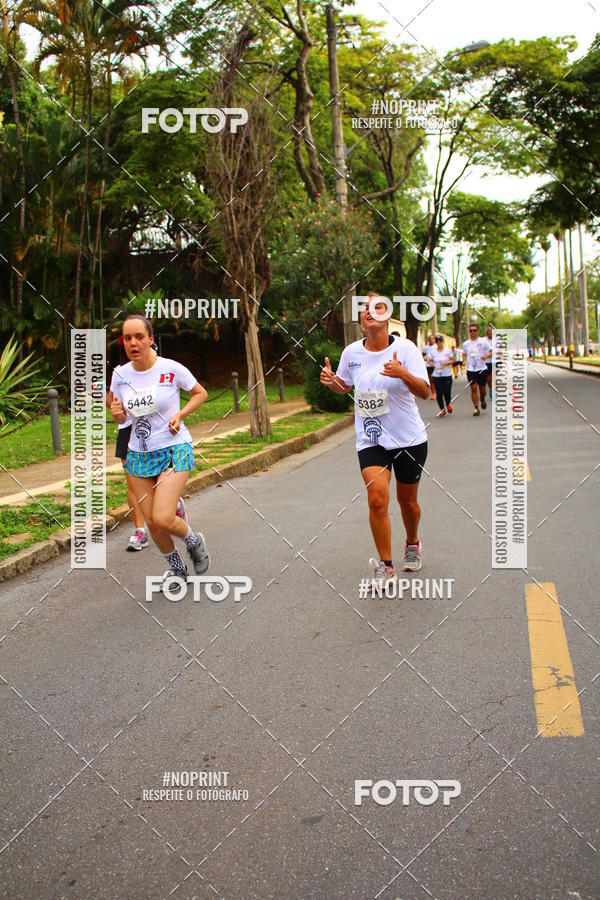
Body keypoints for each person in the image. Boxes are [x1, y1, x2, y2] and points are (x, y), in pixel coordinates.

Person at [320, 292, 430, 582]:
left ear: (387, 316)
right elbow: (344, 387)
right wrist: (333, 382)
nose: (369, 311)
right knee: (377, 498)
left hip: (408, 439)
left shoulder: (405, 349)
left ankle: (413, 542)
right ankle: (386, 566)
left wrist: (402, 374)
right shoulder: (351, 353)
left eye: (377, 307)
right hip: (371, 439)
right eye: (364, 309)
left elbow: (425, 391)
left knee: (407, 502)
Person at [109, 314, 209, 582]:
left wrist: (181, 414)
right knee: (151, 522)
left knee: (163, 517)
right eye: (127, 338)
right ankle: (177, 569)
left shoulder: (171, 369)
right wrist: (116, 412)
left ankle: (192, 540)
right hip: (138, 454)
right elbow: (122, 419)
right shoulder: (120, 375)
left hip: (174, 448)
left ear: (151, 340)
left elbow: (201, 393)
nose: (133, 343)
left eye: (139, 337)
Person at [463, 323, 490, 416]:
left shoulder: (483, 342)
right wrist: (464, 362)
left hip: (482, 368)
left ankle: (482, 399)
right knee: (473, 388)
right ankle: (476, 408)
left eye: (475, 330)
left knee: (482, 389)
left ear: (478, 331)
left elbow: (492, 351)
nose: (473, 332)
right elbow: (464, 354)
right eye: (471, 330)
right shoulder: (466, 344)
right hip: (471, 369)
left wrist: (486, 356)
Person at [431, 335, 454, 415]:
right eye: (437, 341)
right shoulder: (433, 352)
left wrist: (446, 362)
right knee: (439, 393)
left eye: (440, 340)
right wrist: (432, 364)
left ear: (442, 341)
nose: (438, 342)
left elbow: (452, 360)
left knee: (447, 392)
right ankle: (442, 409)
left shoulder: (447, 351)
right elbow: (430, 361)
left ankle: (448, 404)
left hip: (446, 374)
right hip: (437, 375)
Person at [422, 334, 436, 400]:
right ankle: (433, 393)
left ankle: (439, 392)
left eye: (432, 338)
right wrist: (423, 359)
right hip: (428, 365)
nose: (431, 340)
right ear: (428, 340)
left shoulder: (436, 346)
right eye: (430, 338)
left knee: (437, 380)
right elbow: (423, 354)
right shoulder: (426, 347)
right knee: (431, 379)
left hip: (436, 365)